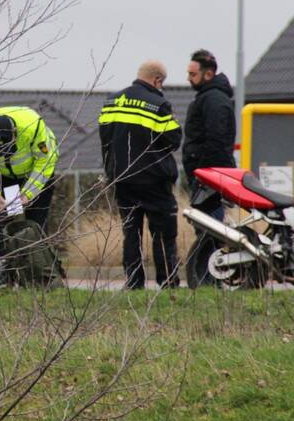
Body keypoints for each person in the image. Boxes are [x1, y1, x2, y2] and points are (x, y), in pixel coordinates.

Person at [99, 60, 183, 289]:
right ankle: (167, 281)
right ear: (158, 80)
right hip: (154, 180)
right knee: (163, 234)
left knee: (131, 234)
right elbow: (174, 140)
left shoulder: (111, 102)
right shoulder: (159, 104)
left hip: (122, 179)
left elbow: (105, 140)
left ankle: (134, 282)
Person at [0, 105, 58, 245]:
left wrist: (28, 193)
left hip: (35, 173)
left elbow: (44, 163)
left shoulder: (32, 127)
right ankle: (0, 261)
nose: (5, 153)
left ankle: (39, 259)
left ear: (15, 133)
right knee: (4, 220)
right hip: (5, 176)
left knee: (36, 222)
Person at [183, 49, 236, 222]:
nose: (188, 78)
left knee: (209, 232)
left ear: (208, 74)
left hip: (209, 179)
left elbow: (216, 140)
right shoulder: (209, 98)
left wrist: (202, 174)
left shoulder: (213, 100)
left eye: (193, 74)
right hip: (206, 176)